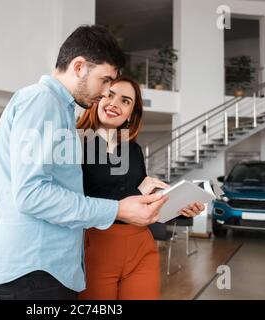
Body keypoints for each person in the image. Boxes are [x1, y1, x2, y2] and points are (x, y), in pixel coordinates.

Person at [0, 25, 169, 300]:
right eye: (105, 80)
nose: (107, 91)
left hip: (47, 270)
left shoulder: (60, 110)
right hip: (36, 272)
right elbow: (31, 194)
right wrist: (117, 209)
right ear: (79, 66)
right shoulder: (42, 101)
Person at [77, 76, 205, 300]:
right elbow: (77, 202)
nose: (115, 103)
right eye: (109, 94)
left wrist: (179, 207)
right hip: (95, 249)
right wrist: (139, 192)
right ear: (97, 97)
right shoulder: (76, 143)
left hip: (141, 248)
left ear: (131, 114)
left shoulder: (132, 150)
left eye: (125, 101)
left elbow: (143, 202)